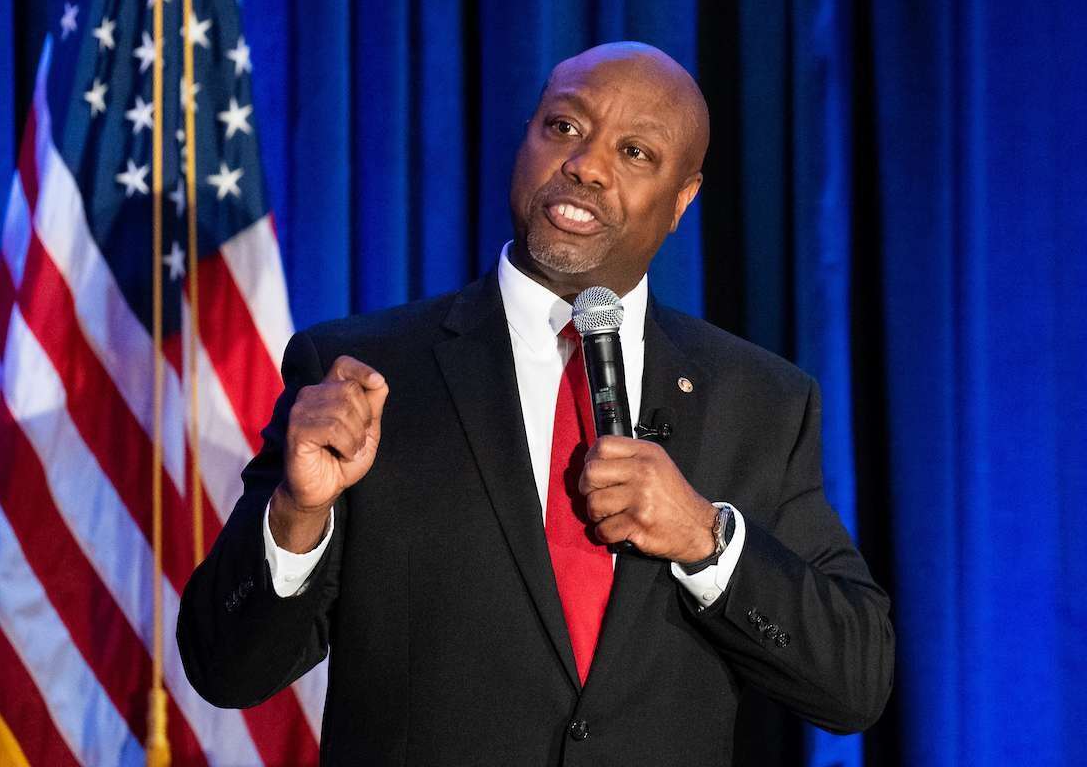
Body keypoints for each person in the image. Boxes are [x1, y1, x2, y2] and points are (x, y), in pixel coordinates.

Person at [177, 41, 894, 766]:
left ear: (683, 200)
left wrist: (707, 539)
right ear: (526, 137)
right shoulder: (363, 372)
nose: (586, 165)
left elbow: (855, 682)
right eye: (564, 128)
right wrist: (300, 514)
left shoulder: (759, 401)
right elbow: (225, 668)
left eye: (637, 152)